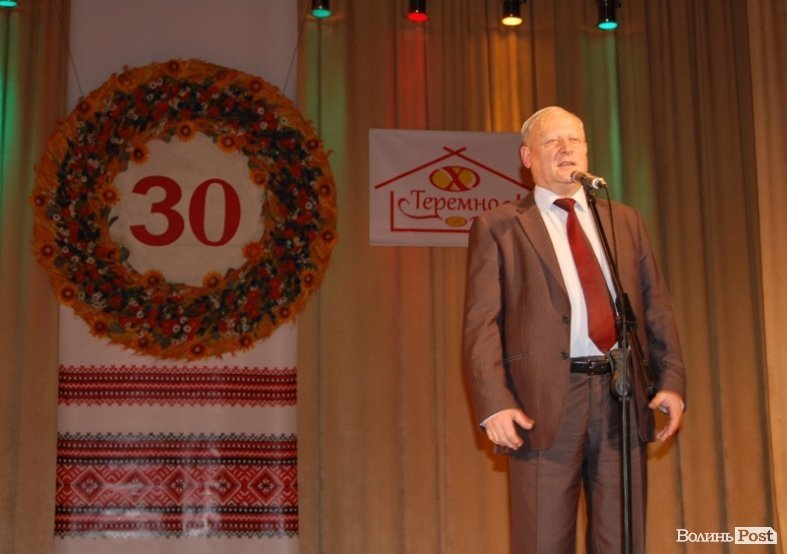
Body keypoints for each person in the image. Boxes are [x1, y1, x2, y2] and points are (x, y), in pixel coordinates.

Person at [462, 106, 686, 554]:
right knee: (542, 542)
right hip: (543, 402)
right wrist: (494, 403)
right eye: (552, 141)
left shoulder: (623, 220)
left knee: (621, 540)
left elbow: (655, 306)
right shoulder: (500, 226)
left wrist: (671, 381)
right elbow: (481, 323)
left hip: (621, 397)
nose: (566, 149)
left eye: (575, 140)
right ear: (527, 157)